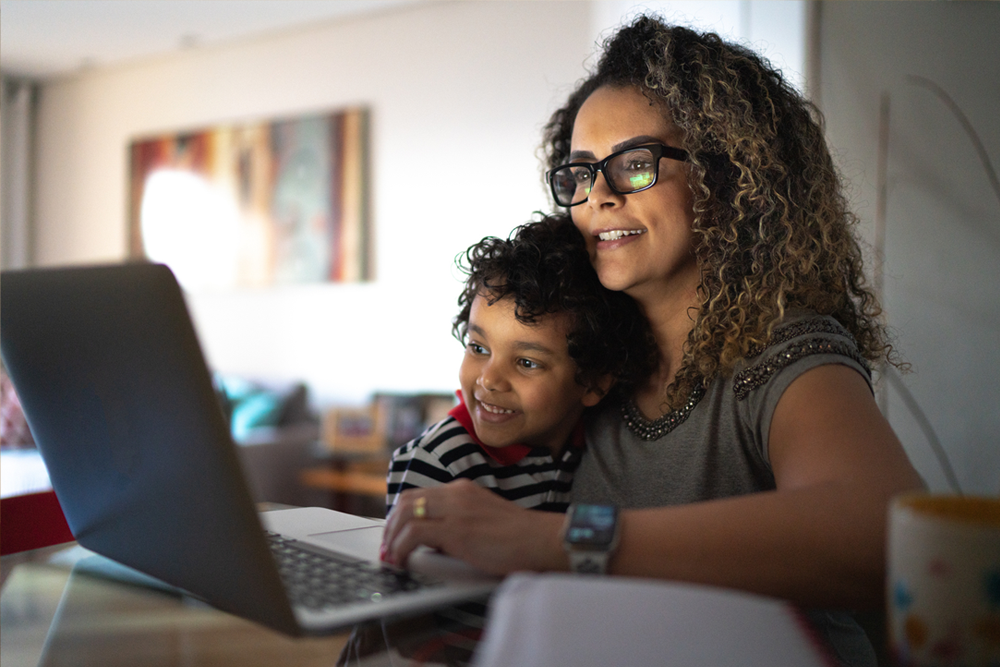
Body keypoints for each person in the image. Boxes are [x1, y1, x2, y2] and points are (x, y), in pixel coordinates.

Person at [382, 17, 923, 665]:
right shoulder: (590, 359)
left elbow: (883, 533)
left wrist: (557, 541)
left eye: (636, 165)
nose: (598, 196)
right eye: (580, 173)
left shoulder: (785, 353)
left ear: (725, 177)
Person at [385, 215, 654, 515]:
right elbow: (409, 557)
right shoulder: (439, 462)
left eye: (526, 362)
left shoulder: (599, 447)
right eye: (478, 348)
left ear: (595, 382)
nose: (489, 380)